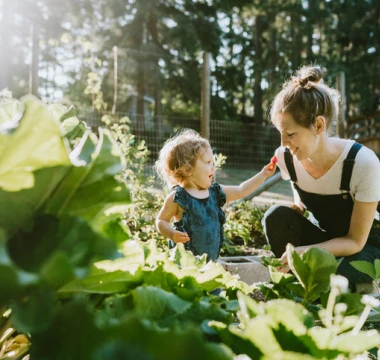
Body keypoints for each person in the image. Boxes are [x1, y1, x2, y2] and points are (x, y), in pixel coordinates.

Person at [262, 65, 380, 293]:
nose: (283, 143)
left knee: (334, 272)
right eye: (280, 132)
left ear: (318, 125)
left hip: (365, 246)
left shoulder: (362, 162)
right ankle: (307, 283)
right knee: (275, 217)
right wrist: (298, 205)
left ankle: (361, 286)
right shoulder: (286, 157)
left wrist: (306, 252)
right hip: (325, 237)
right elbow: (301, 187)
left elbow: (355, 241)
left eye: (291, 134)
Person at [155, 129, 276, 261]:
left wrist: (263, 175)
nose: (213, 167)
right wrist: (171, 234)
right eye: (207, 162)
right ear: (187, 168)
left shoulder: (215, 192)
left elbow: (241, 190)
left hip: (211, 261)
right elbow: (161, 221)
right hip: (185, 262)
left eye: (213, 162)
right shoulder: (178, 197)